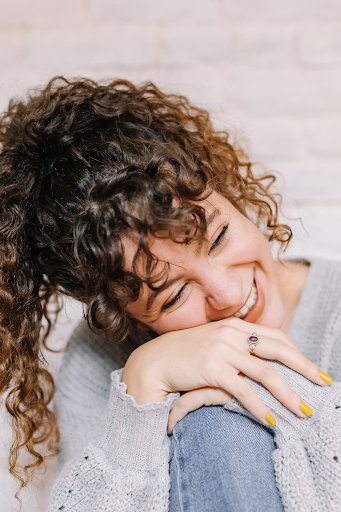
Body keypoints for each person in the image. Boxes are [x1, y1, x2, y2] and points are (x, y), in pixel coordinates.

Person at [0, 76, 339, 512]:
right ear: (124, 315)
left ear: (227, 192)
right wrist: (144, 378)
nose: (229, 294)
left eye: (217, 238)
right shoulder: (99, 358)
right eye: (173, 297)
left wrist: (266, 387)